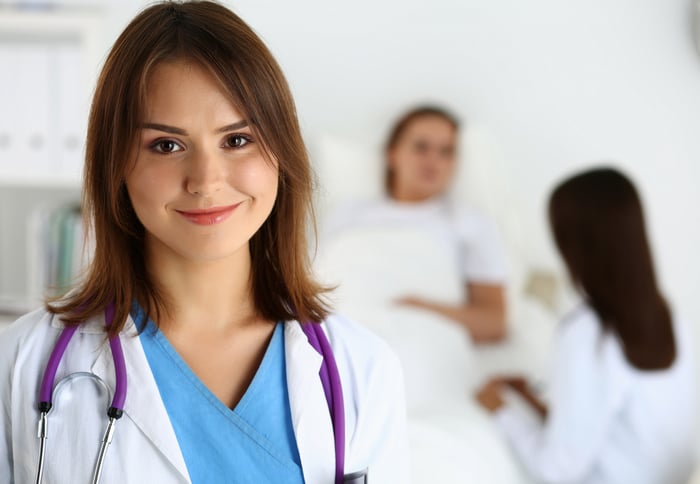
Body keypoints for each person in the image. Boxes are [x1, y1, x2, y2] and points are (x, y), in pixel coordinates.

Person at [0, 2, 409, 483]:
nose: (206, 181)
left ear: (281, 151)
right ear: (116, 166)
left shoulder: (361, 369)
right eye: (166, 145)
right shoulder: (22, 363)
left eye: (237, 140)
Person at [475, 167, 697, 484]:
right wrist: (534, 403)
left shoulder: (588, 333)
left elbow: (557, 469)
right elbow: (614, 433)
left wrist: (499, 410)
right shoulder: (667, 315)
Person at [325, 106, 508, 343]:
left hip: (421, 340)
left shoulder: (469, 222)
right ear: (392, 154)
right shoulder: (346, 214)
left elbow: (493, 324)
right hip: (343, 331)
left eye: (446, 151)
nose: (433, 160)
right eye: (421, 147)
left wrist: (420, 311)